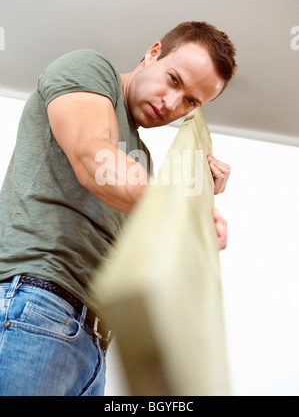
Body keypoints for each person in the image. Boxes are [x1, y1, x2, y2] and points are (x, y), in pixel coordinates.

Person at [0, 21, 236, 396]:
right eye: (174, 80)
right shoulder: (91, 70)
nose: (172, 104)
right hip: (39, 306)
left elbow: (145, 259)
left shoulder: (142, 161)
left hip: (93, 346)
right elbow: (94, 157)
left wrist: (196, 192)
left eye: (191, 101)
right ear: (153, 52)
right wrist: (181, 206)